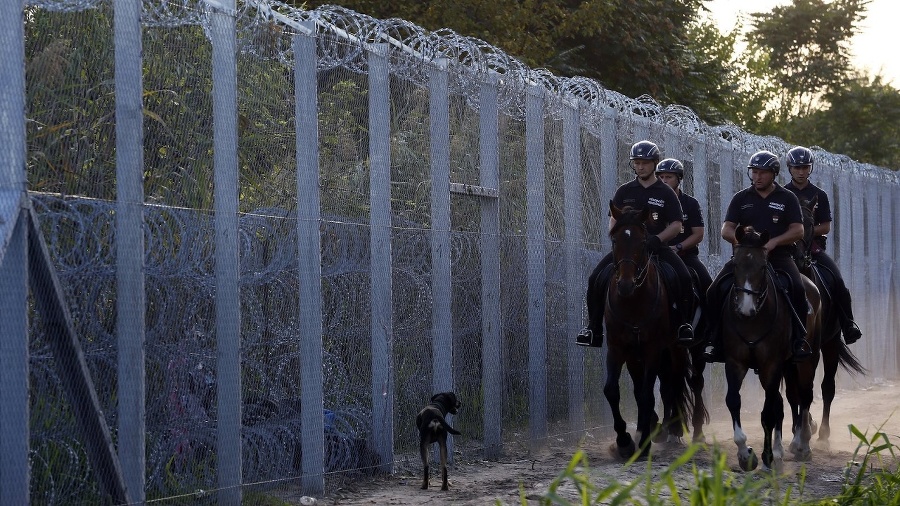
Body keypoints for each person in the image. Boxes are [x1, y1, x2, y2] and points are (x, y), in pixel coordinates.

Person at [576, 141, 696, 348]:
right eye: (636, 163)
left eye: (645, 163)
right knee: (596, 278)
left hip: (657, 248)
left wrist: (657, 239)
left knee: (684, 277)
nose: (640, 167)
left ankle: (683, 325)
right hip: (628, 251)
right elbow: (613, 219)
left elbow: (676, 225)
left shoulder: (665, 192)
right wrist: (617, 235)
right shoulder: (624, 191)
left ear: (655, 164)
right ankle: (593, 328)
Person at [703, 150, 812, 363]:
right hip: (746, 259)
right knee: (714, 290)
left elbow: (798, 231)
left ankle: (800, 339)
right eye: (754, 172)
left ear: (773, 174)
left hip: (779, 256)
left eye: (762, 173)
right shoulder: (741, 198)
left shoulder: (787, 198)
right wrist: (742, 244)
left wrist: (773, 242)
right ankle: (713, 339)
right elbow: (726, 229)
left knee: (798, 288)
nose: (757, 177)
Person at [784, 146, 862, 344]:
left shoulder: (820, 194)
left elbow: (826, 226)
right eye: (797, 167)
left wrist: (806, 233)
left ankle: (848, 324)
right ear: (789, 168)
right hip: (786, 249)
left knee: (837, 280)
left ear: (810, 168)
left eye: (805, 167)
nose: (801, 171)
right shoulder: (782, 194)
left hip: (814, 249)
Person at [655, 158, 712, 333]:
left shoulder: (690, 203)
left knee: (709, 287)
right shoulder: (652, 201)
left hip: (685, 256)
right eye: (661, 177)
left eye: (669, 177)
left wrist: (678, 247)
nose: (664, 181)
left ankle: (710, 331)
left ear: (679, 178)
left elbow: (698, 234)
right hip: (655, 254)